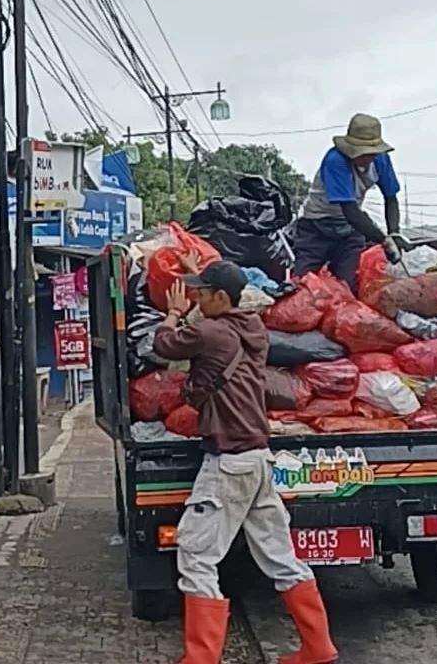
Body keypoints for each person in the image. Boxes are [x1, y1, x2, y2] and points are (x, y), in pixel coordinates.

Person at [153, 260, 338, 664]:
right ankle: (318, 648)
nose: (196, 298)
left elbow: (163, 346)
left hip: (229, 463)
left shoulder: (210, 331)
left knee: (197, 555)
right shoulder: (252, 327)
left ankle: (200, 659)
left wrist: (172, 314)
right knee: (279, 555)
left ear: (222, 298)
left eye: (203, 293)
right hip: (258, 459)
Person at [291, 112, 408, 291]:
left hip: (349, 231)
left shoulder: (381, 161)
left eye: (370, 154)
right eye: (360, 153)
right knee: (302, 284)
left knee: (349, 284)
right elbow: (351, 211)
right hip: (316, 226)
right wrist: (383, 240)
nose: (365, 158)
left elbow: (391, 198)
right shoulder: (335, 161)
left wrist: (394, 232)